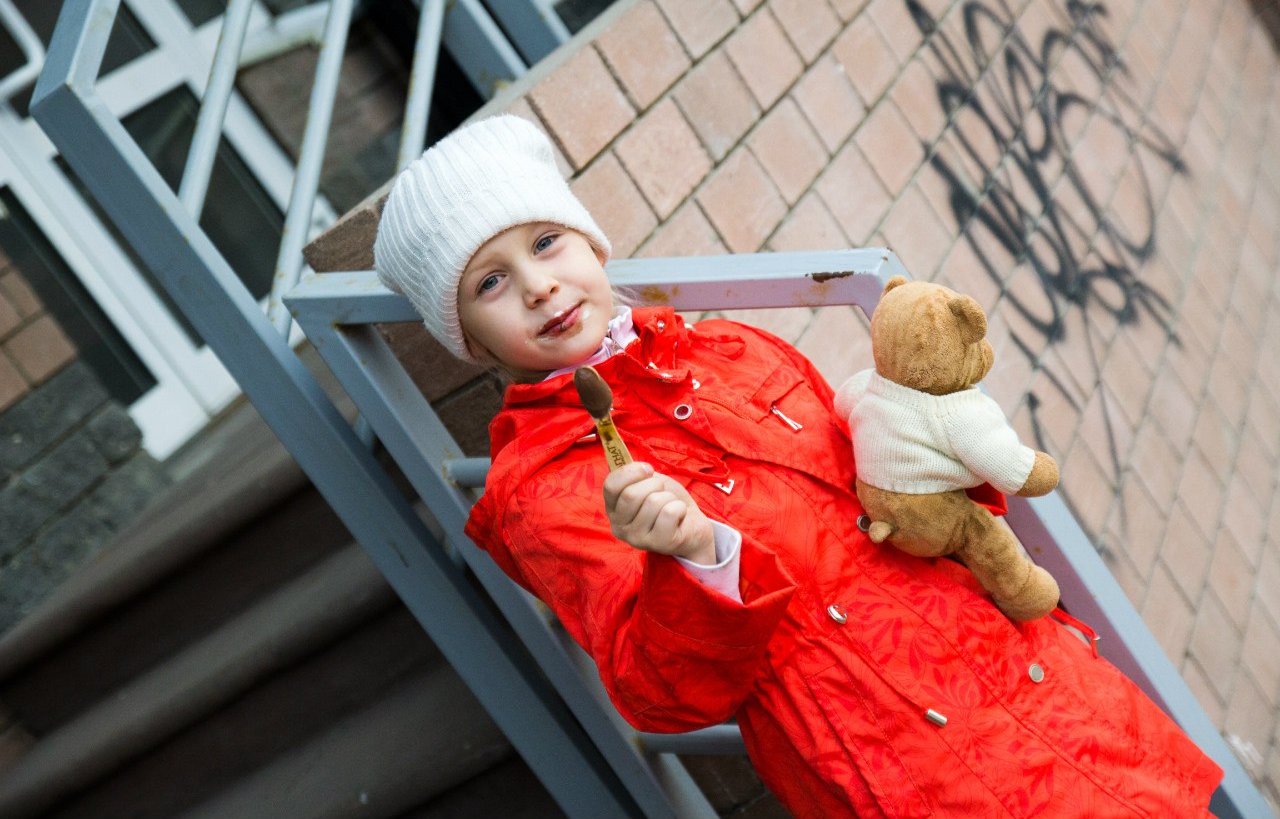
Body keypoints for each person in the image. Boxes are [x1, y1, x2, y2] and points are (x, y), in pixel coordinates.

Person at [373, 114, 1221, 818]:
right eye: (490, 283)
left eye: (547, 241)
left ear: (591, 245)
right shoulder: (542, 484)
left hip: (1034, 681)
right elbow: (662, 692)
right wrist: (692, 558)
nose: (538, 286)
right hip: (906, 763)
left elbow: (893, 490)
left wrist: (939, 437)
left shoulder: (730, 345)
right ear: (468, 337)